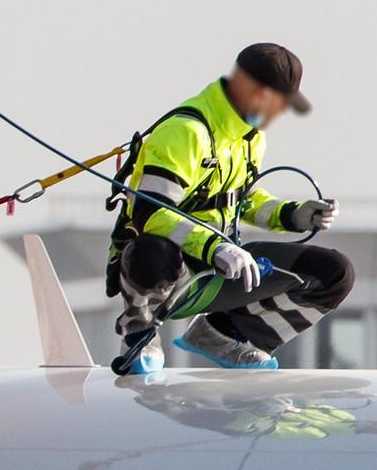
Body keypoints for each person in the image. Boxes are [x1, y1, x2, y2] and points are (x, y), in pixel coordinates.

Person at [108, 44, 355, 372]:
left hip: (217, 272)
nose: (279, 114)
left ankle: (225, 334)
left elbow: (243, 201)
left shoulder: (252, 138)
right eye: (277, 103)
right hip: (167, 273)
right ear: (253, 92)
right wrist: (213, 247)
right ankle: (139, 331)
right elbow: (149, 213)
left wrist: (294, 215)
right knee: (151, 250)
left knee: (334, 273)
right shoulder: (185, 131)